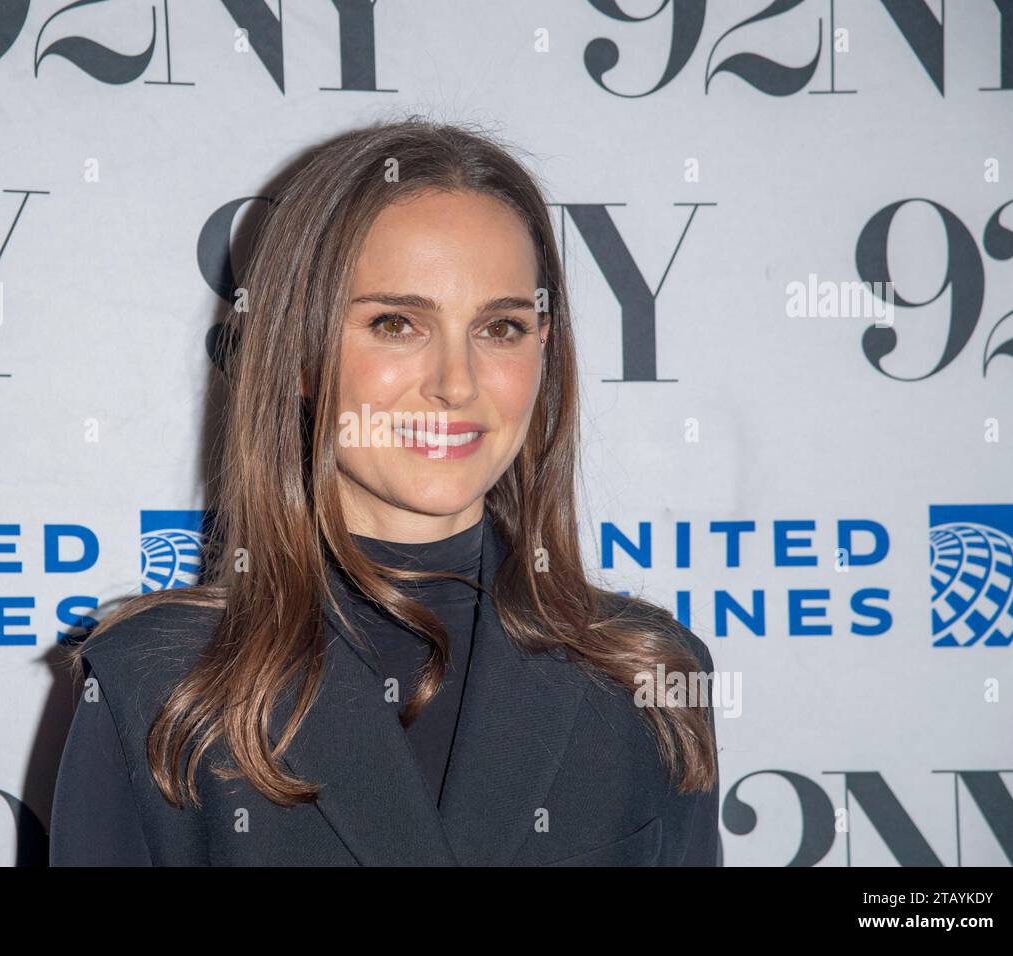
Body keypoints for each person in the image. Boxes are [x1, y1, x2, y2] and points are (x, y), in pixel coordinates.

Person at [49, 116, 720, 866]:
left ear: (544, 353)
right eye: (397, 323)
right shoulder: (160, 684)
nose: (455, 384)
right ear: (299, 356)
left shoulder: (646, 674)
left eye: (500, 328)